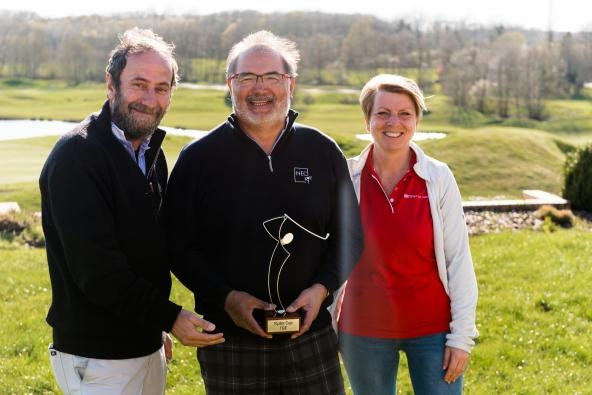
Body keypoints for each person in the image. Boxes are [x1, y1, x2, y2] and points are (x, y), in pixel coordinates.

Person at [165, 30, 363, 394]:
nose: (260, 88)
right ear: (230, 84)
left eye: (272, 76)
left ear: (291, 84)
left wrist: (321, 289)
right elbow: (177, 246)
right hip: (230, 340)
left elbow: (351, 235)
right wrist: (227, 298)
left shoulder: (322, 151)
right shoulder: (198, 159)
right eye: (247, 78)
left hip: (311, 336)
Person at [39, 27, 224, 395]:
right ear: (111, 84)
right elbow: (99, 273)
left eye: (161, 88)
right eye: (138, 84)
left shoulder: (150, 152)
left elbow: (150, 248)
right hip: (98, 355)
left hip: (141, 343)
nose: (149, 99)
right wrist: (170, 317)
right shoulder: (78, 157)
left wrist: (153, 328)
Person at [335, 74, 478, 395]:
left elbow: (458, 260)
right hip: (363, 330)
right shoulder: (347, 177)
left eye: (405, 114)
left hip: (433, 330)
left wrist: (461, 337)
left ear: (417, 120)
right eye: (382, 113)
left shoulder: (438, 177)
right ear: (367, 119)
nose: (393, 122)